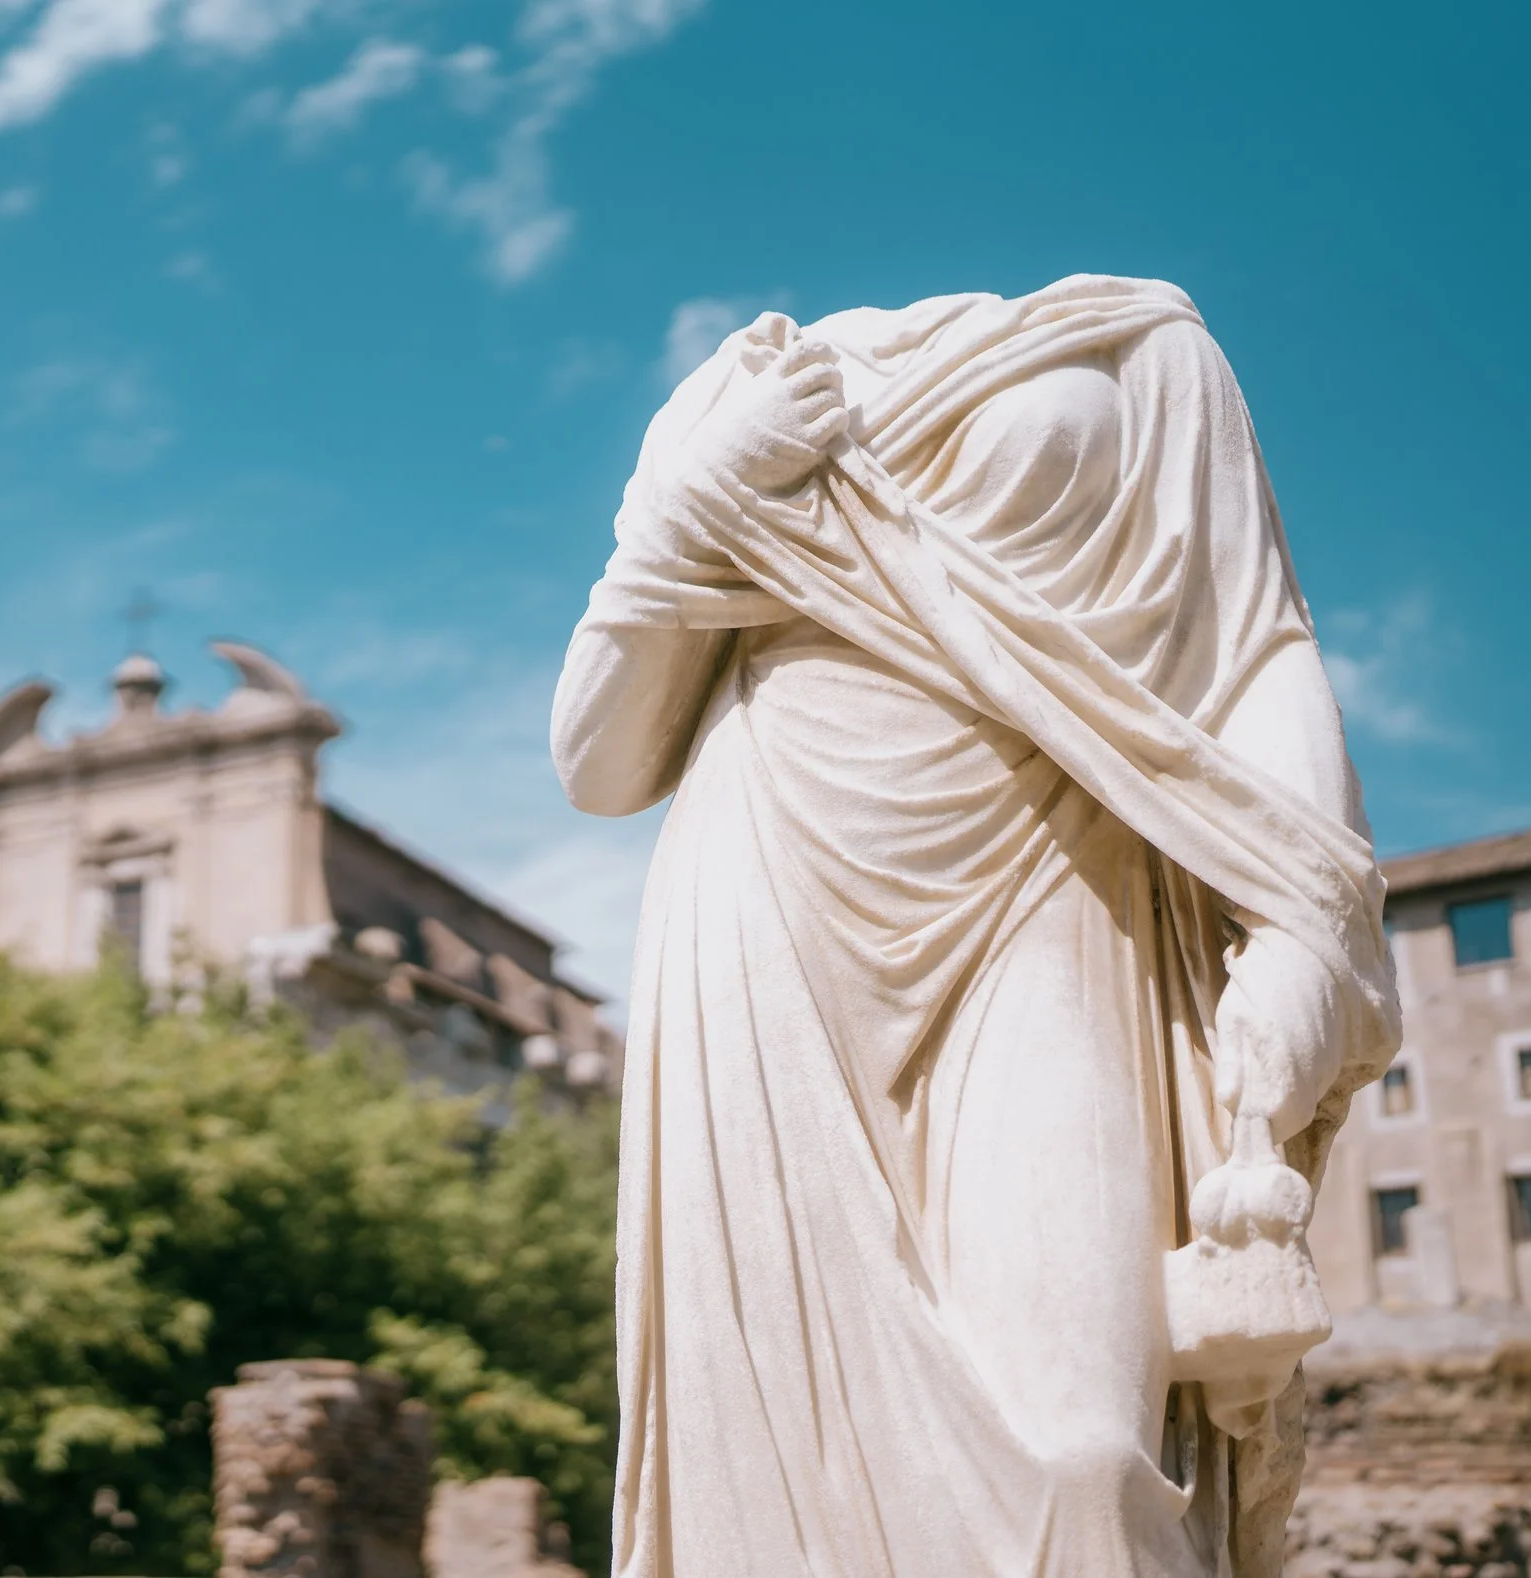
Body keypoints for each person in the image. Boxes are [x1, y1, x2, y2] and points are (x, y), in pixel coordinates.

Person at [551, 276, 1399, 1577]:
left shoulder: (1151, 352)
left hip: (1051, 891)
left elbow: (1254, 647)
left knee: (1079, 1448)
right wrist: (686, 507)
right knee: (768, 1494)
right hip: (770, 906)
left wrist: (1303, 931)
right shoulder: (727, 393)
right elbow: (598, 759)